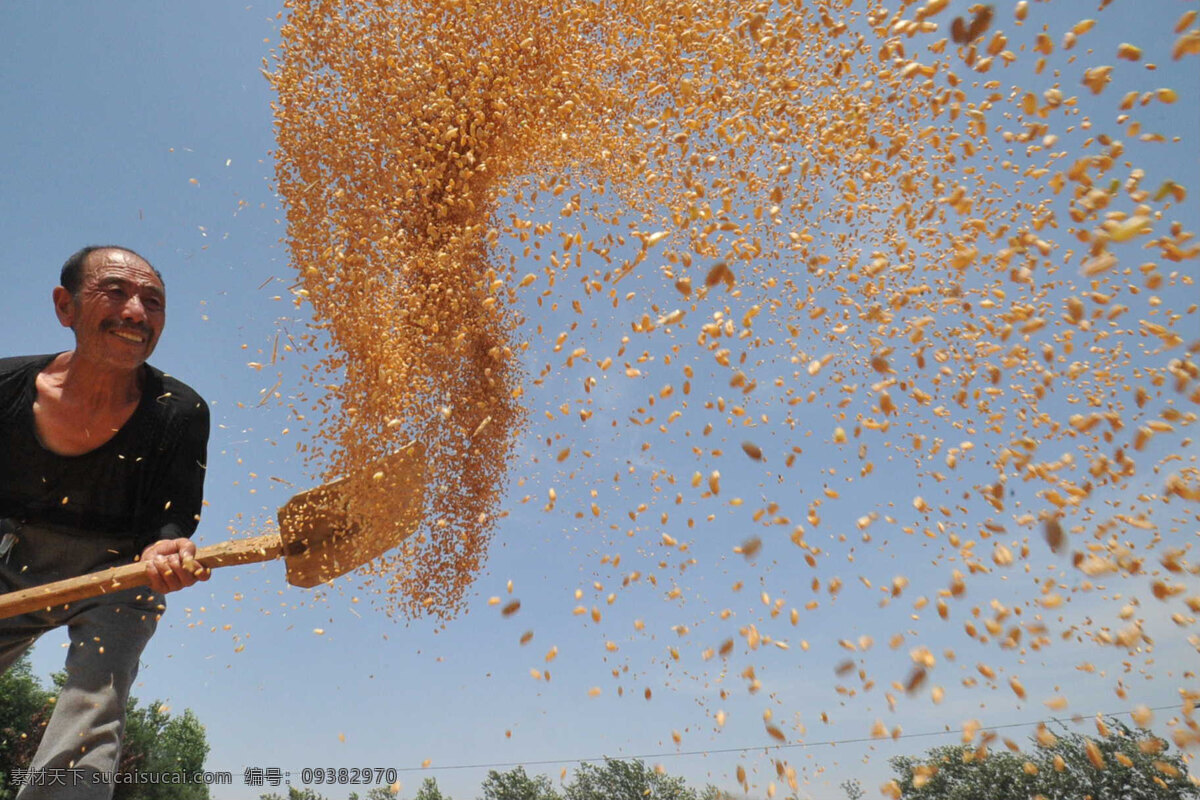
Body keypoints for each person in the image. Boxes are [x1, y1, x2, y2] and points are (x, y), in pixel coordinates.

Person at [0, 246, 211, 799]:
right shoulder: (5, 389)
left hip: (119, 573)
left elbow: (169, 522)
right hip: (10, 554)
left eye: (153, 301)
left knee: (95, 711)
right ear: (65, 306)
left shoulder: (178, 411)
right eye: (115, 292)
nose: (136, 312)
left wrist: (162, 553)